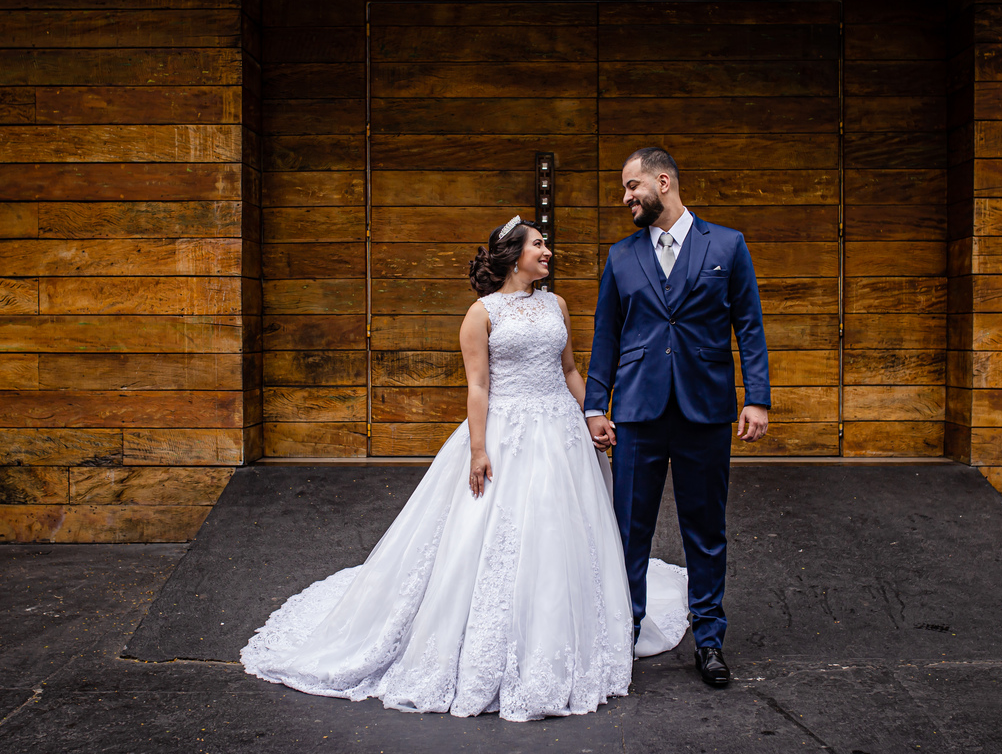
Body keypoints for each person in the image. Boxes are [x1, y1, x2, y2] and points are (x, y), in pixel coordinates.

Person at [241, 216, 687, 722]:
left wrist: (592, 415)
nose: (547, 252)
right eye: (538, 245)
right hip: (506, 432)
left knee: (561, 531)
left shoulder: (556, 304)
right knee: (499, 536)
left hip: (561, 432)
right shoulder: (481, 314)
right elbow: (478, 386)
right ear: (513, 256)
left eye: (545, 245)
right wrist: (478, 449)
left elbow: (568, 369)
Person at [586, 148, 771, 688]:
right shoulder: (621, 256)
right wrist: (595, 404)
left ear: (662, 182)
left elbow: (749, 324)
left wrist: (756, 398)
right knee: (629, 531)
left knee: (706, 530)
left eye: (632, 186)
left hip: (704, 410)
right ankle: (624, 633)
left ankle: (709, 640)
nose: (626, 197)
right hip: (638, 411)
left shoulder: (728, 245)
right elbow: (606, 334)